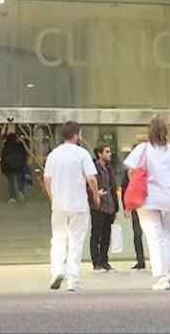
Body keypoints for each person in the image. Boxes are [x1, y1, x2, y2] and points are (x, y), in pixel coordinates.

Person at [124, 115, 170, 291]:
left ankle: (161, 276)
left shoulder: (143, 149)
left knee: (154, 237)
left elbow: (130, 171)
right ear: (166, 132)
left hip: (148, 198)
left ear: (149, 132)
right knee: (169, 235)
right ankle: (169, 274)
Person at [44, 121, 100, 292]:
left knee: (58, 239)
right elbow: (91, 178)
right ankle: (72, 280)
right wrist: (96, 196)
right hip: (78, 204)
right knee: (76, 241)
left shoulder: (53, 155)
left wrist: (52, 197)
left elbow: (47, 179)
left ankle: (57, 271)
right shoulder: (82, 154)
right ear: (77, 135)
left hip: (59, 204)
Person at [89, 144, 119, 272]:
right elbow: (87, 183)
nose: (109, 154)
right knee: (96, 234)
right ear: (99, 154)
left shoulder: (109, 168)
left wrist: (116, 208)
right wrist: (94, 194)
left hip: (109, 206)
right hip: (98, 205)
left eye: (109, 151)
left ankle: (104, 261)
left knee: (107, 234)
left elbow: (113, 187)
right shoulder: (93, 167)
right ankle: (96, 262)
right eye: (107, 152)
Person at [121, 167, 145, 270]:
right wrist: (126, 207)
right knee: (137, 233)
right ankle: (140, 260)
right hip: (137, 205)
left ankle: (146, 260)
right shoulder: (129, 171)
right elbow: (124, 189)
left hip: (146, 204)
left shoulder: (145, 169)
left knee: (144, 234)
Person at [0, 132, 28, 203]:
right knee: (20, 180)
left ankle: (12, 197)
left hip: (9, 168)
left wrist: (3, 169)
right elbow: (24, 155)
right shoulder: (20, 145)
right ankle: (20, 191)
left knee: (11, 182)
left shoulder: (6, 147)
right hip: (19, 166)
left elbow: (3, 159)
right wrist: (23, 164)